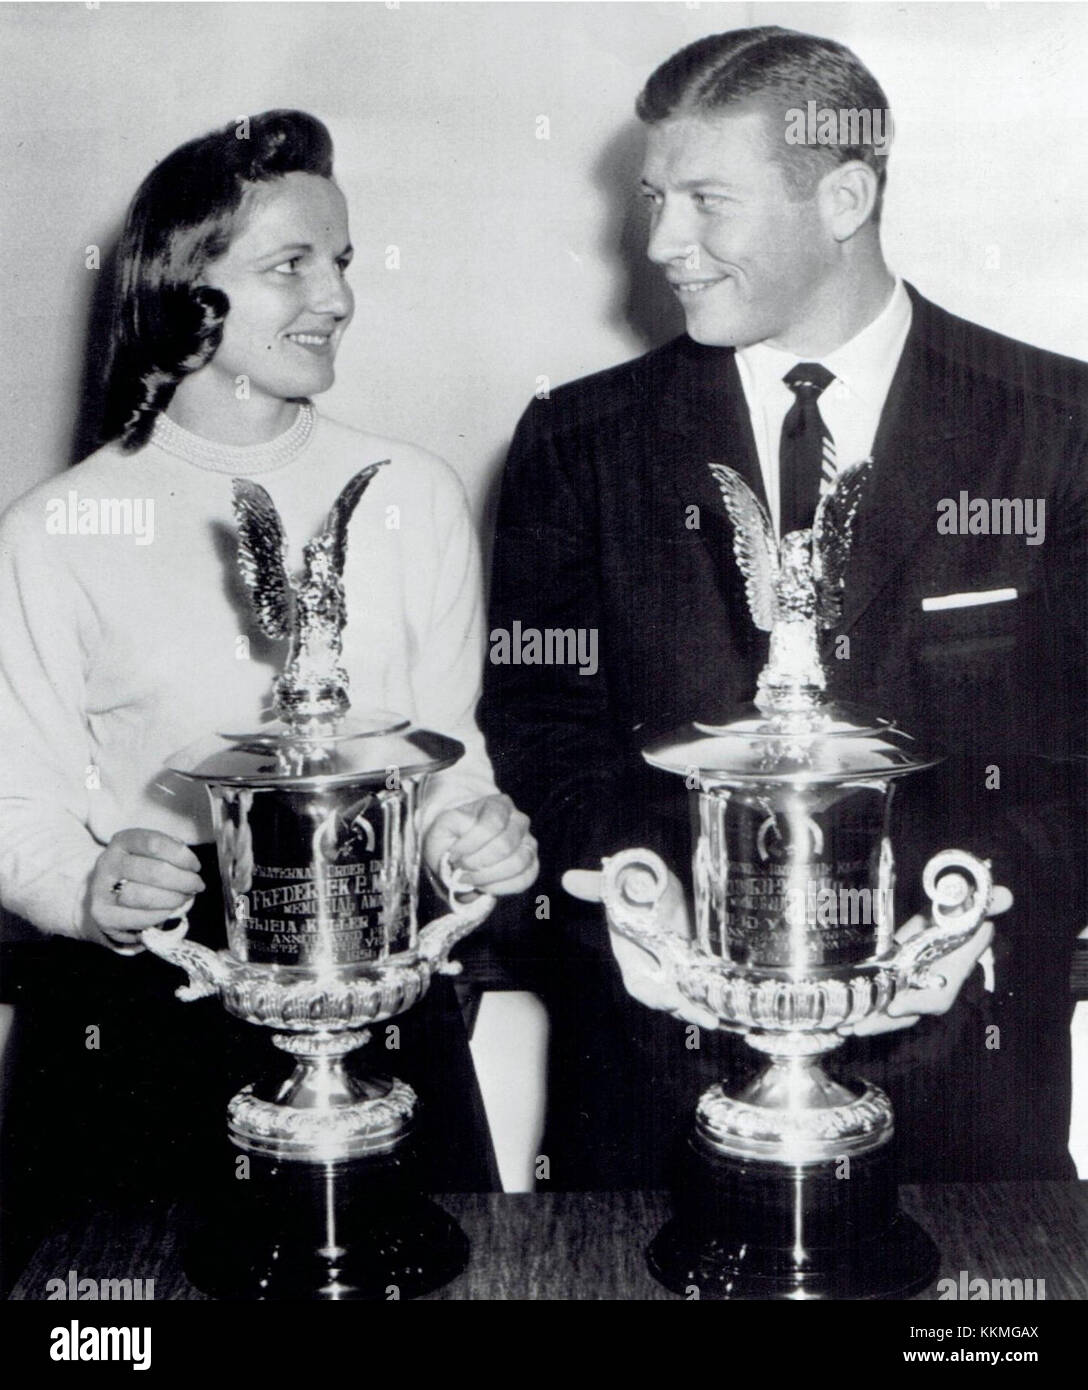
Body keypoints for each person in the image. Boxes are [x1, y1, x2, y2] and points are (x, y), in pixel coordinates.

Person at [481, 28, 1087, 1189]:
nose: (662, 242)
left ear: (844, 194)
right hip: (652, 1104)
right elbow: (537, 722)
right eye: (655, 198)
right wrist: (638, 889)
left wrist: (963, 911)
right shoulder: (574, 439)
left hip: (963, 1104)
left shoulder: (1054, 426)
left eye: (706, 200)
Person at [0, 110, 537, 1276]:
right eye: (290, 264)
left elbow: (449, 768)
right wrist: (92, 890)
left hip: (381, 986)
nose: (337, 297)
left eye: (339, 261)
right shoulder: (51, 535)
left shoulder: (415, 498)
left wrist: (472, 843)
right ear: (183, 290)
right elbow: (19, 809)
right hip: (146, 1017)